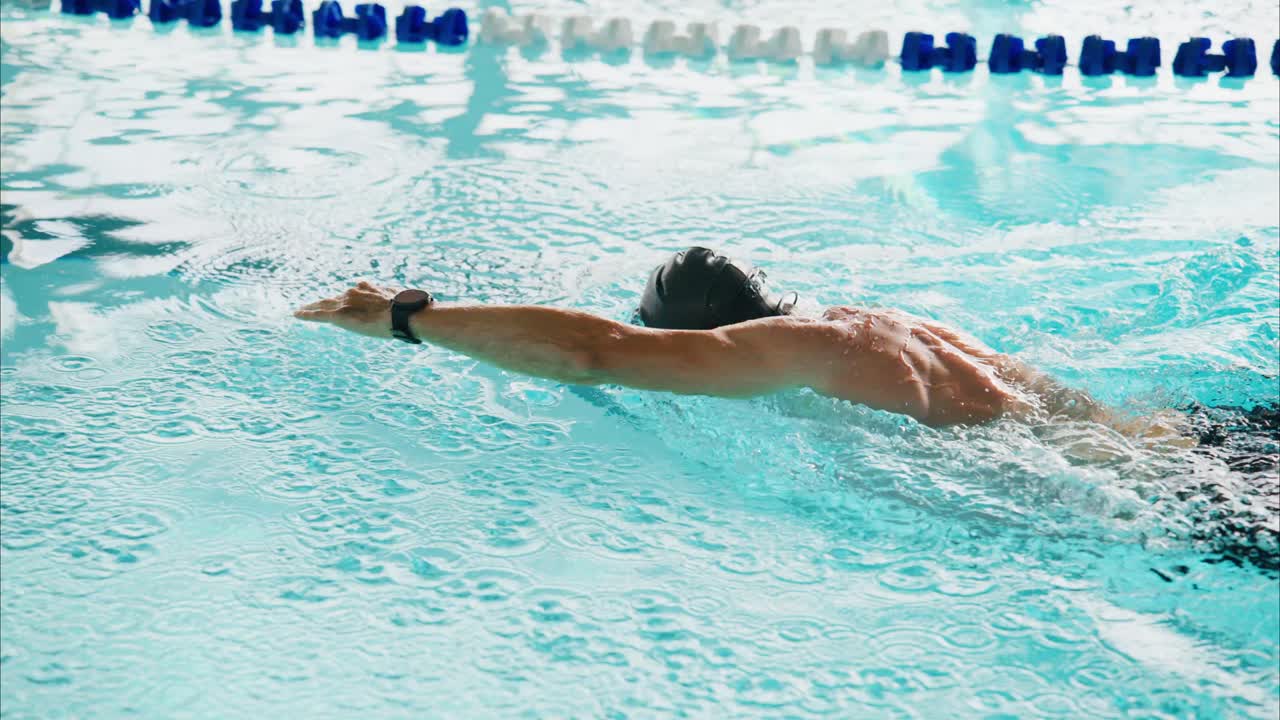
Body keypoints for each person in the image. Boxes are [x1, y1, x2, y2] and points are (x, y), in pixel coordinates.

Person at [294, 246, 1177, 434]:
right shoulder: (895, 320)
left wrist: (411, 317)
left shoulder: (783, 350)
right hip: (1167, 441)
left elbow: (594, 351)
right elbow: (1063, 406)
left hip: (1146, 502)